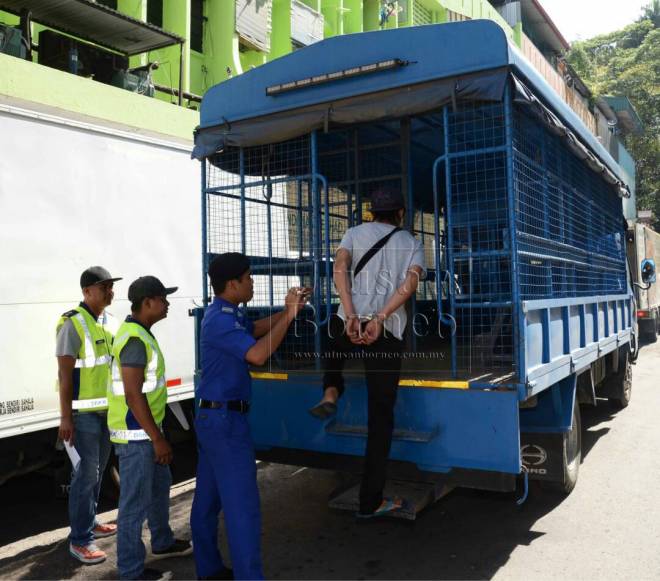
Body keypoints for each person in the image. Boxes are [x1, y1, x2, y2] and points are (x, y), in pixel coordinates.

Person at [190, 253, 310, 581]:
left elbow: (256, 329)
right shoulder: (220, 320)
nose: (252, 282)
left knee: (207, 503)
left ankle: (210, 570)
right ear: (232, 284)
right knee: (243, 509)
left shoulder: (226, 314)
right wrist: (289, 315)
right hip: (226, 424)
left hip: (213, 420)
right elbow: (257, 354)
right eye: (248, 278)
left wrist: (289, 310)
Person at [308, 189, 425, 518]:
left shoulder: (354, 233)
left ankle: (331, 389)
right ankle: (370, 500)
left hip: (349, 323)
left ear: (371, 211)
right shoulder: (411, 243)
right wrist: (379, 318)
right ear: (401, 212)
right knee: (380, 416)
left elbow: (340, 268)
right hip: (384, 333)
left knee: (333, 342)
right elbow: (411, 284)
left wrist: (351, 315)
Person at [108, 276, 193, 581]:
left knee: (160, 485)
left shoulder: (140, 333)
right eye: (162, 298)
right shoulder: (134, 338)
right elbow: (133, 395)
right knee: (134, 505)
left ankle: (163, 541)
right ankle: (131, 572)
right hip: (136, 437)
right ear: (147, 303)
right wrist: (157, 439)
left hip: (146, 431)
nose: (167, 304)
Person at [56, 266, 122, 564]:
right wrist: (66, 417)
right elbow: (65, 374)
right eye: (103, 286)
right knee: (85, 476)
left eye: (111, 286)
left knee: (96, 474)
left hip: (105, 413)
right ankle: (80, 539)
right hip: (83, 416)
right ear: (87, 292)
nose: (110, 290)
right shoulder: (73, 323)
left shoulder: (105, 322)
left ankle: (90, 521)